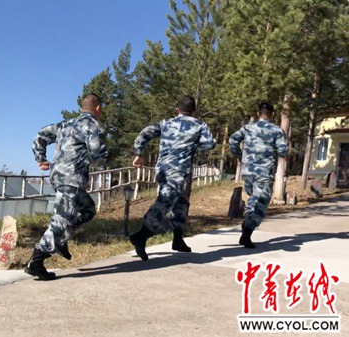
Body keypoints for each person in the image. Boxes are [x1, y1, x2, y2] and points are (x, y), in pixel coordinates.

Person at [25, 93, 108, 280]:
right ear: (98, 109)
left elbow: (40, 135)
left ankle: (61, 239)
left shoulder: (64, 125)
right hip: (72, 179)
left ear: (81, 108)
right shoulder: (91, 125)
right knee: (61, 220)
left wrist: (41, 158)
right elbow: (96, 151)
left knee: (87, 210)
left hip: (58, 177)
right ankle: (36, 261)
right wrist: (102, 159)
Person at [129, 96, 216, 261]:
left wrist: (139, 153)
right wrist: (192, 145)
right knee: (165, 203)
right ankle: (140, 236)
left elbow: (144, 134)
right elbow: (209, 144)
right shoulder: (199, 125)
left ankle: (177, 240)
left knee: (181, 203)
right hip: (177, 171)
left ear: (177, 110)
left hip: (162, 169)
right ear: (194, 111)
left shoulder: (166, 123)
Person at [229, 102, 288, 248]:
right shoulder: (277, 130)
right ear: (272, 114)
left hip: (248, 171)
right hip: (263, 172)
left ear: (258, 113)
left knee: (253, 199)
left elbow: (232, 140)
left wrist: (240, 155)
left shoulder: (248, 128)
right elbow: (283, 151)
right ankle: (247, 231)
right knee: (259, 204)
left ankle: (247, 224)